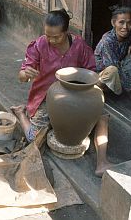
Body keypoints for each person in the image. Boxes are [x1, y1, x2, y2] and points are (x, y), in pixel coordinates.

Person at [11, 9, 113, 177]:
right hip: (45, 96)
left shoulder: (79, 45)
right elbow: (22, 76)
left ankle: (102, 162)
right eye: (47, 35)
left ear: (66, 32)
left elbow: (91, 71)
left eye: (56, 36)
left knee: (102, 117)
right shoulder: (40, 45)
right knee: (34, 138)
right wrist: (25, 73)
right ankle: (21, 113)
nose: (51, 40)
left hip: (77, 94)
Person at [94, 6, 131, 97]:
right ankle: (120, 91)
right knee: (112, 71)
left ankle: (126, 89)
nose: (125, 27)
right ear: (113, 23)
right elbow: (114, 67)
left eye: (129, 23)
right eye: (121, 22)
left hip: (121, 68)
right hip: (105, 74)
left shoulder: (130, 35)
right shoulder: (107, 41)